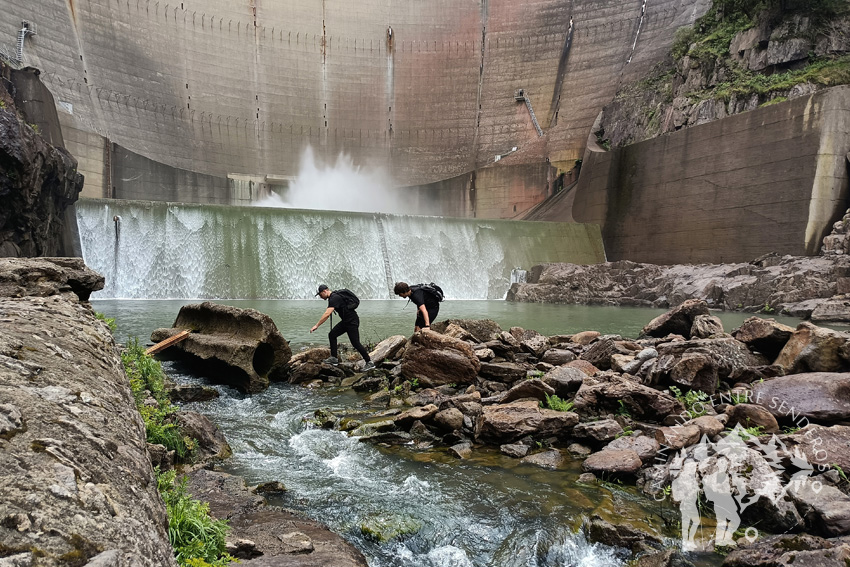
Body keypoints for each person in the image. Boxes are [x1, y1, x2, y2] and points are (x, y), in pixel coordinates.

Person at [310, 284, 374, 370]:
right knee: (332, 335)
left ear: (325, 291)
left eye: (321, 295)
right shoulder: (334, 297)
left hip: (351, 322)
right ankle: (334, 358)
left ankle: (369, 362)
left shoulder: (334, 298)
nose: (321, 297)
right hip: (346, 322)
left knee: (355, 343)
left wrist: (316, 325)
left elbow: (327, 314)